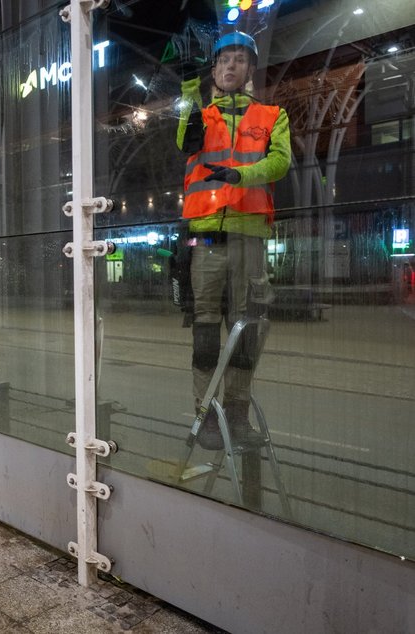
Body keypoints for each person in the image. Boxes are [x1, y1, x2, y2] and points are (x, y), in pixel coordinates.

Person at [175, 31, 291, 450]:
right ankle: (206, 417)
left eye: (239, 59)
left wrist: (243, 175)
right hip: (206, 240)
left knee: (245, 333)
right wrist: (188, 85)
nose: (230, 66)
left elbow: (280, 161)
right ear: (213, 70)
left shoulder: (272, 115)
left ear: (249, 69)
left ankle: (237, 415)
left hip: (249, 238)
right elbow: (184, 141)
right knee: (206, 333)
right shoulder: (201, 115)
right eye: (223, 60)